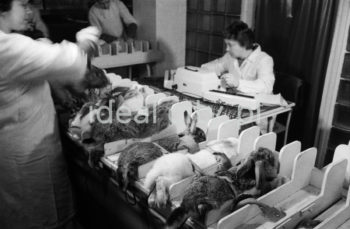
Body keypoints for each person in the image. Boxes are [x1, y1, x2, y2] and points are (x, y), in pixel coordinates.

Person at [0, 0, 100, 228]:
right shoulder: (7, 47)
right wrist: (88, 37)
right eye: (23, 4)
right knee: (46, 218)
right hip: (29, 158)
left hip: (12, 150)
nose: (29, 11)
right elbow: (74, 59)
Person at [201, 21, 275, 95]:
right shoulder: (229, 56)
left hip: (262, 104)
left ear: (244, 44)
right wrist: (198, 72)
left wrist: (238, 84)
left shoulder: (264, 59)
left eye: (230, 45)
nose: (227, 49)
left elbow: (266, 87)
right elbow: (212, 67)